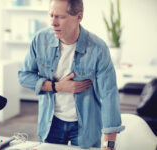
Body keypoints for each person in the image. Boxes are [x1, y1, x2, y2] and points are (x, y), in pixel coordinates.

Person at [18, 0, 125, 149]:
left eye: (60, 17)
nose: (53, 23)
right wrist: (57, 86)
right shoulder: (40, 40)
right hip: (51, 121)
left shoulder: (97, 48)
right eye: (51, 16)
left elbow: (109, 94)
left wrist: (110, 143)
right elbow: (24, 76)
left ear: (79, 17)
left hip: (85, 126)